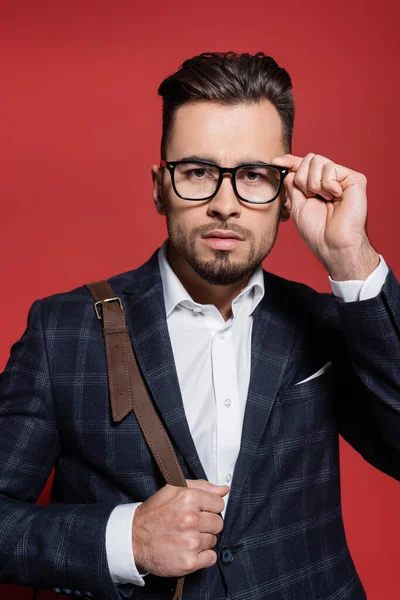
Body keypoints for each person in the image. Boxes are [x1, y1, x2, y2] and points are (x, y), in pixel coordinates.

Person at [0, 51, 399, 600]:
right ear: (160, 186)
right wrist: (125, 539)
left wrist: (351, 259)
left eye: (254, 176)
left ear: (286, 196)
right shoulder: (61, 332)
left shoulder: (329, 320)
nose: (225, 205)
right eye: (197, 173)